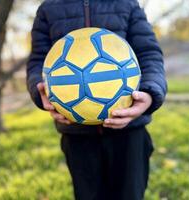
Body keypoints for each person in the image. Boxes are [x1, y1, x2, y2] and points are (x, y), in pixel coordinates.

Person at [27, 0, 167, 199]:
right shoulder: (48, 9)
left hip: (129, 131)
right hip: (77, 134)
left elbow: (149, 54)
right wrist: (39, 92)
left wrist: (150, 94)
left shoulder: (127, 4)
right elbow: (38, 62)